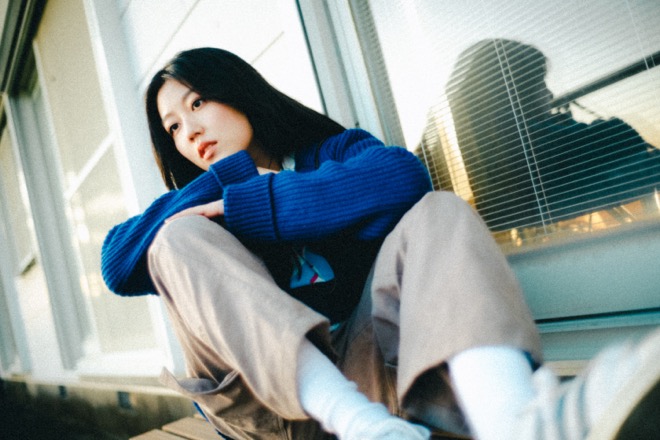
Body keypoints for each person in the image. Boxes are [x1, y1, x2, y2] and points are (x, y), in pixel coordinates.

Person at [101, 47, 660, 440]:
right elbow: (117, 262)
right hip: (274, 417)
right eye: (172, 127)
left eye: (197, 103)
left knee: (439, 209)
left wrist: (265, 200)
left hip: (375, 379)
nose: (189, 131)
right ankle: (361, 425)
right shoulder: (191, 208)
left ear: (239, 92)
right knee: (176, 238)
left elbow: (404, 178)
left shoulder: (331, 152)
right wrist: (231, 182)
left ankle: (517, 424)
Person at [445, 39, 660, 231]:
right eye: (541, 85)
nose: (550, 94)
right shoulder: (527, 141)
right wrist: (564, 124)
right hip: (550, 202)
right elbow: (620, 138)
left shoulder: (494, 141)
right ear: (521, 93)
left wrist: (554, 122)